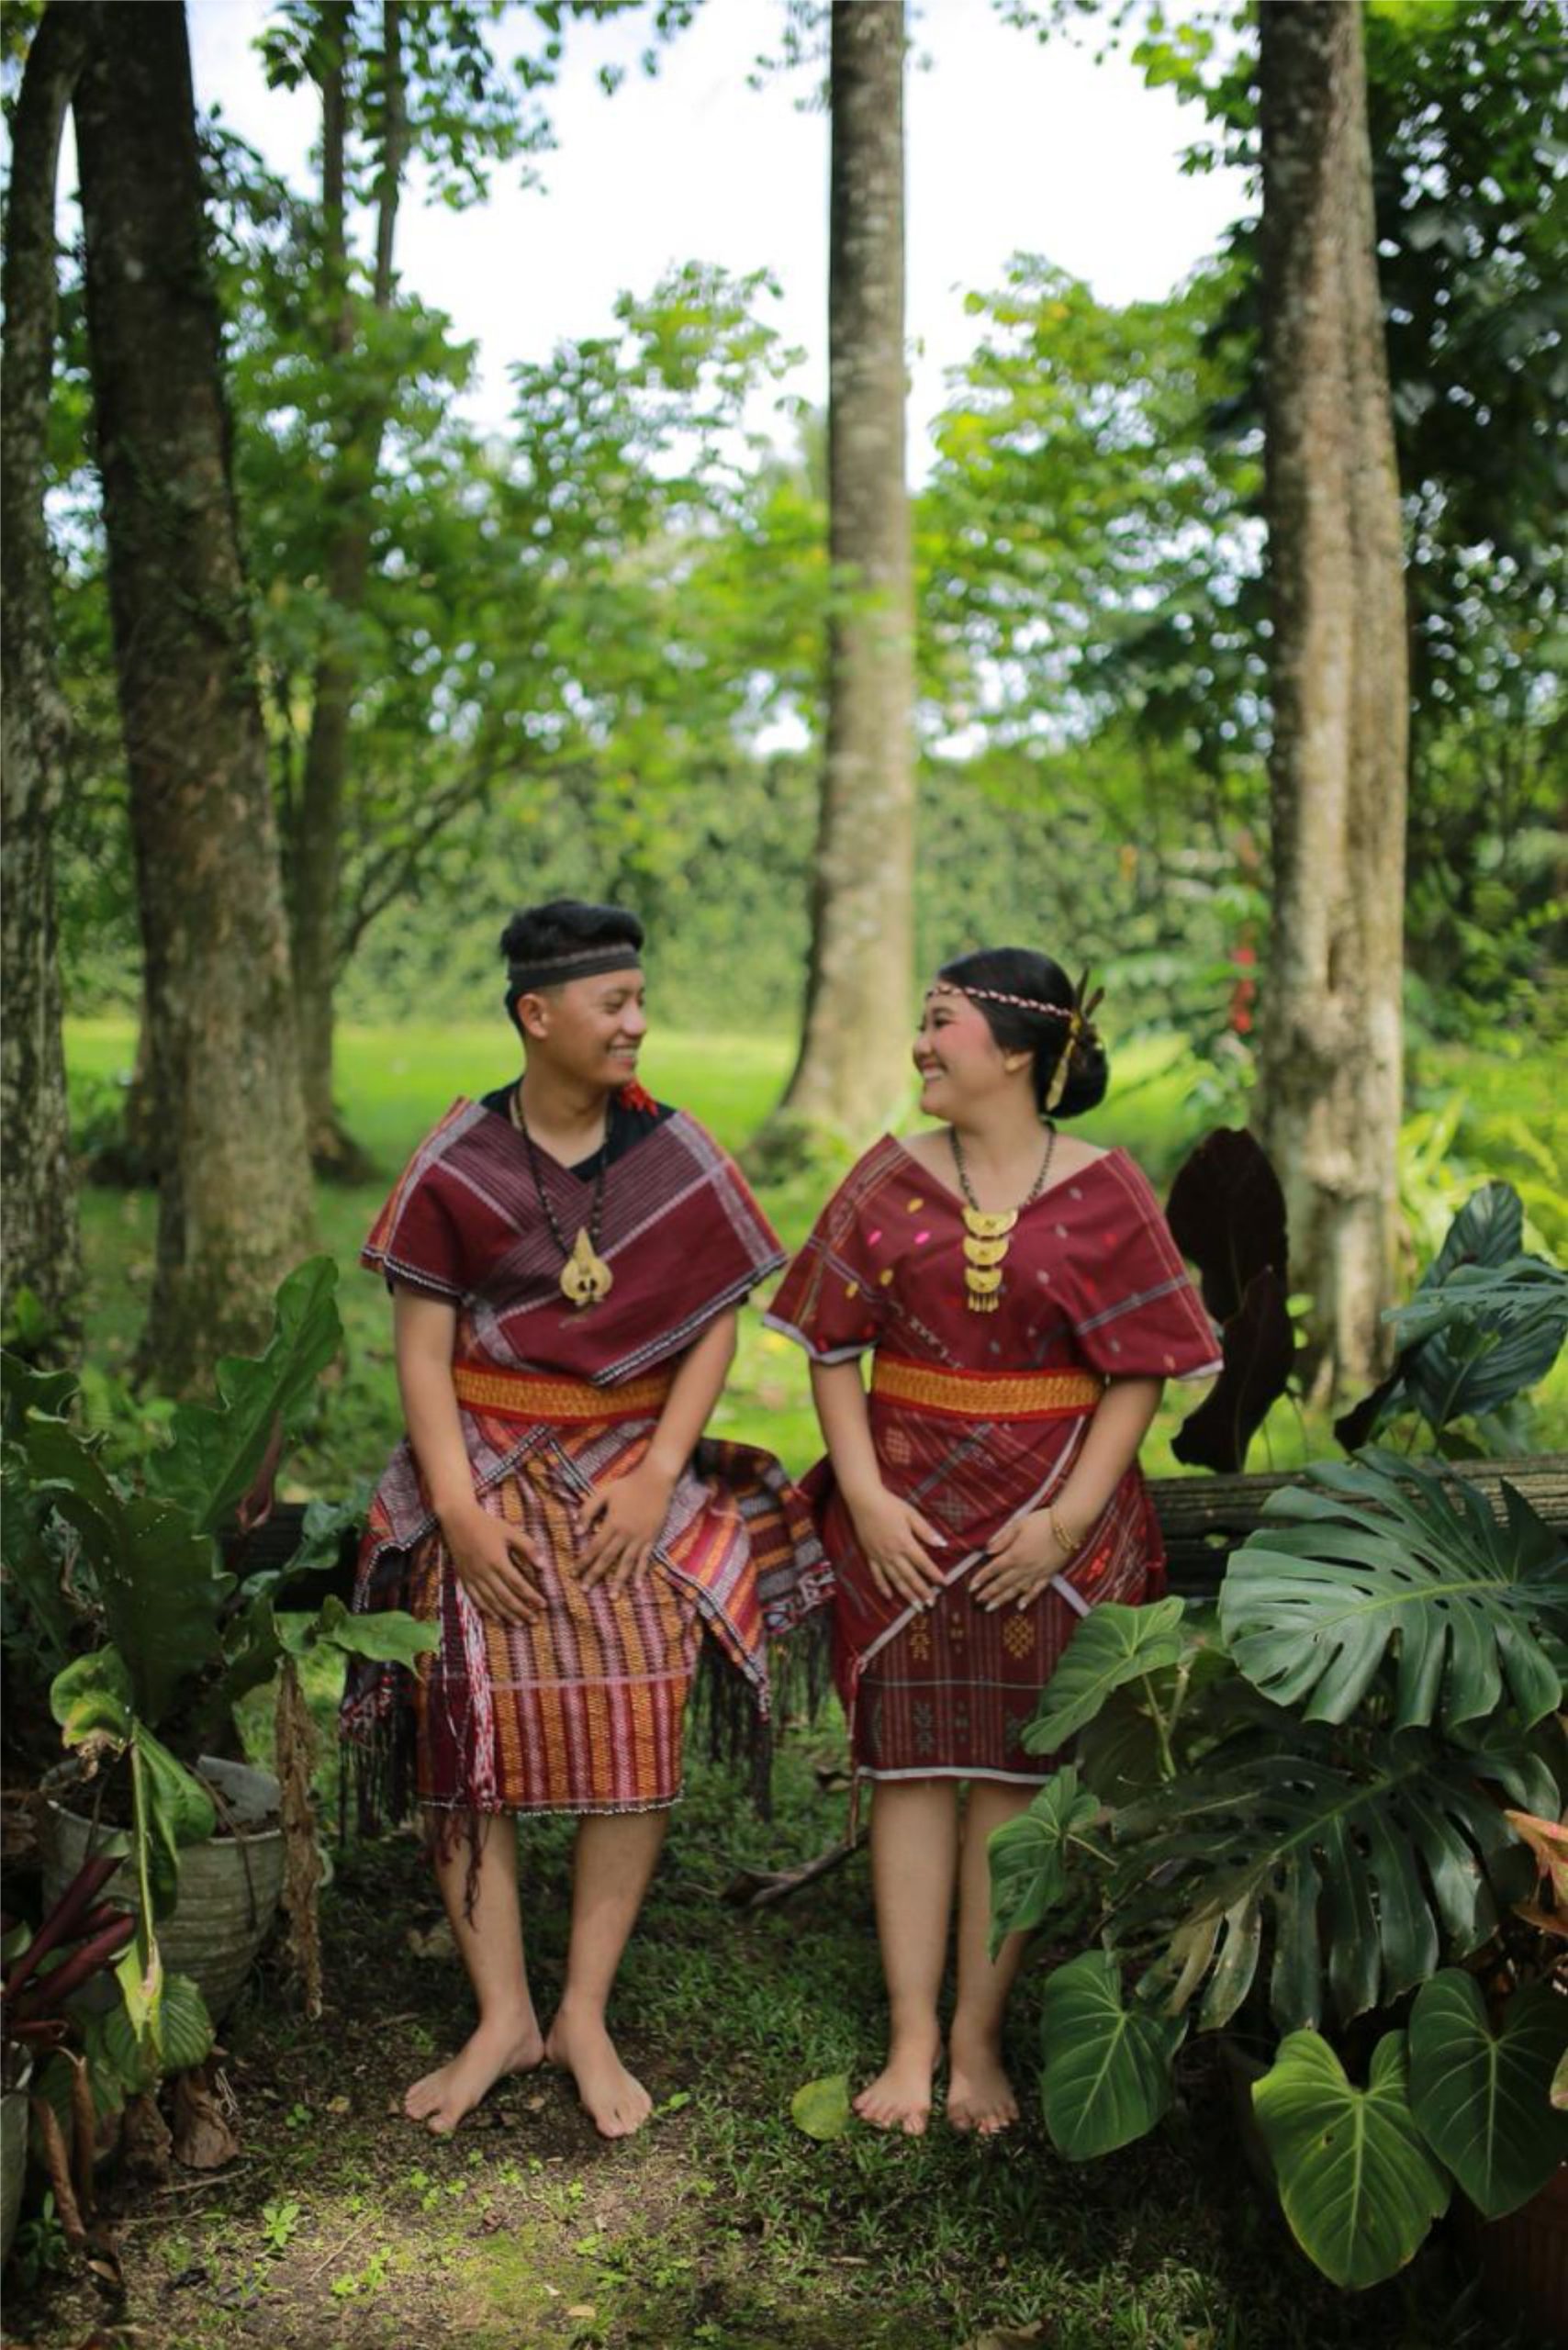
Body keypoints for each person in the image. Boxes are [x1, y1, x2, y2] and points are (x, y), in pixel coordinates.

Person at [342, 899, 829, 2141]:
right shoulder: (458, 1161)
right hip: (485, 1464)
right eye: (614, 1004)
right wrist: (457, 1514)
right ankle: (502, 2014)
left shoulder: (673, 1151)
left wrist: (663, 1471)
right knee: (466, 1720)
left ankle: (583, 2012)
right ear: (536, 1014)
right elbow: (421, 1352)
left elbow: (715, 1322)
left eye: (639, 1000)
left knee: (640, 1704)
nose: (636, 1023)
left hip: (629, 1470)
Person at [766, 948, 1220, 2138]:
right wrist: (865, 1498)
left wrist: (1067, 1523)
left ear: (1016, 1051)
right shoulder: (886, 1176)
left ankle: (975, 2035)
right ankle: (911, 2035)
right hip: (904, 1529)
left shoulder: (1107, 1190)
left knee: (1016, 1780)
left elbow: (1140, 1373)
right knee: (911, 1770)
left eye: (942, 1023)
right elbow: (829, 1349)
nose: (920, 1045)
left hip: (1047, 1531)